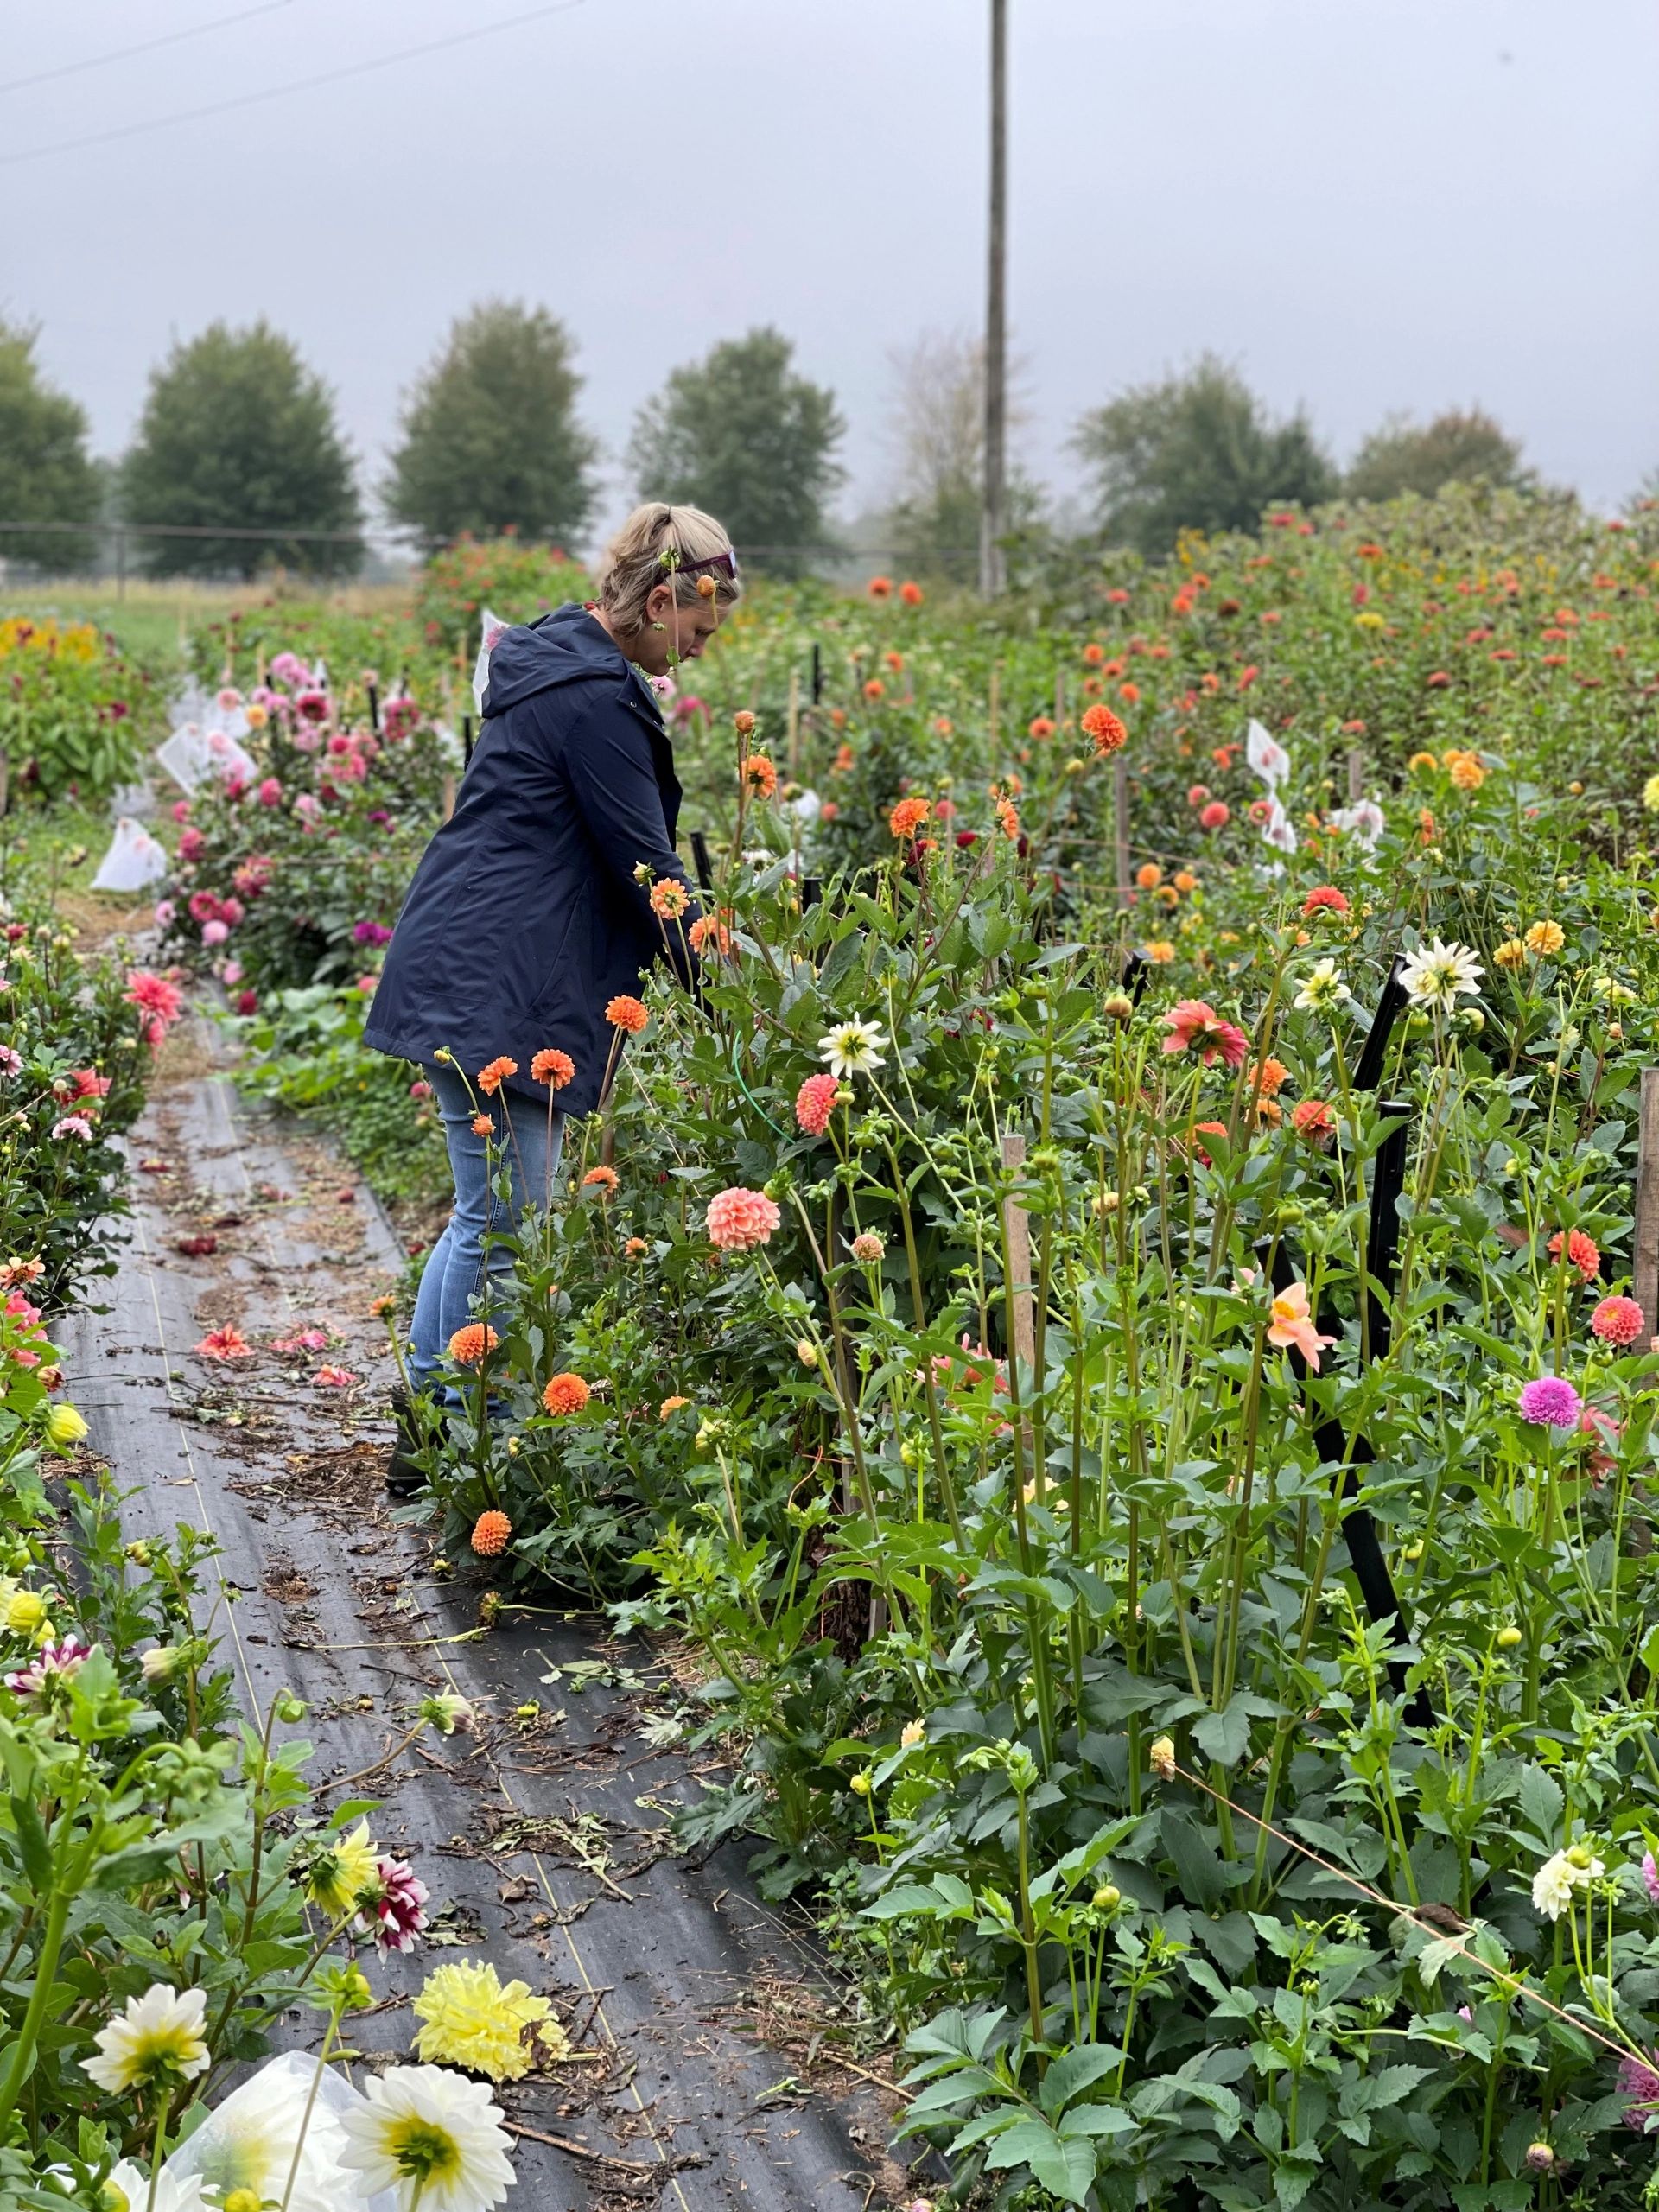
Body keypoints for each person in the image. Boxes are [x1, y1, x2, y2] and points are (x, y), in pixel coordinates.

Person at [365, 502, 741, 1489]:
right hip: (502, 982)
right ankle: (463, 1443)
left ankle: (430, 1425)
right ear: (658, 602)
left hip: (478, 960)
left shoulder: (556, 661)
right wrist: (732, 993)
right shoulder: (593, 699)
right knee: (505, 1225)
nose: (697, 652)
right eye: (697, 630)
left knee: (484, 1213)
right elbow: (650, 871)